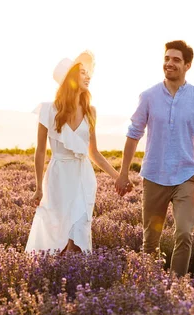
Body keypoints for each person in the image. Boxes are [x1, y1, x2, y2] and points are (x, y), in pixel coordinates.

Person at [115, 40, 194, 276]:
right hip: (154, 176)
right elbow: (133, 135)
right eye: (167, 59)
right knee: (150, 239)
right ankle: (151, 287)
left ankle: (176, 286)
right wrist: (122, 174)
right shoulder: (149, 96)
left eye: (176, 60)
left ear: (187, 65)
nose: (169, 64)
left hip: (185, 177)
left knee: (184, 233)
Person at [26, 50, 123, 254]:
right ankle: (58, 279)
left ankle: (75, 279)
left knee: (78, 232)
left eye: (88, 73)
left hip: (82, 177)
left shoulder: (91, 111)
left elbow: (94, 153)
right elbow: (40, 152)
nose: (88, 77)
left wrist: (118, 177)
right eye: (82, 73)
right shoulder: (48, 110)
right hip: (58, 177)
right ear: (70, 78)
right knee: (57, 234)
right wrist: (38, 187)